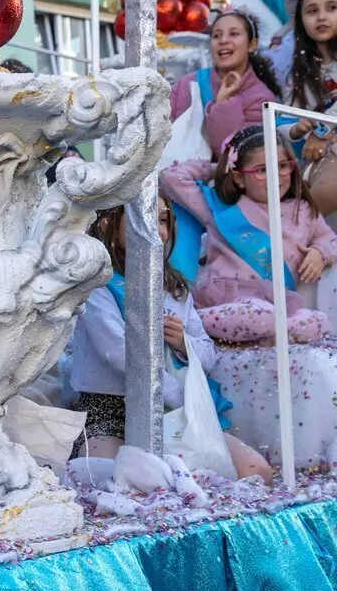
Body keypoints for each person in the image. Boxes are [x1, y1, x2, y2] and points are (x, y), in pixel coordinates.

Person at [67, 197, 271, 482]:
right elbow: (117, 352)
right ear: (107, 223)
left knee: (256, 471)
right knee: (112, 480)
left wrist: (182, 343)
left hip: (177, 413)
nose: (157, 229)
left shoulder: (173, 287)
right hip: (111, 411)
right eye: (145, 217)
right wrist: (174, 395)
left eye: (162, 220)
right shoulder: (97, 284)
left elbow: (208, 354)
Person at [161, 125, 337, 344]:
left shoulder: (304, 210)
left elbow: (328, 239)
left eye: (282, 166)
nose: (276, 176)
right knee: (261, 314)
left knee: (316, 322)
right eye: (262, 170)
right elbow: (171, 178)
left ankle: (264, 339)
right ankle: (194, 322)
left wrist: (319, 253)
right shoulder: (221, 208)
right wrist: (220, 167)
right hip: (229, 300)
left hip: (276, 303)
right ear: (239, 179)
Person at [170, 9, 282, 157]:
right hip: (171, 171)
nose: (223, 40)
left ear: (252, 45)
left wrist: (223, 104)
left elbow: (237, 156)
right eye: (216, 35)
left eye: (234, 34)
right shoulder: (186, 84)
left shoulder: (262, 99)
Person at [284, 0, 337, 215]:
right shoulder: (298, 74)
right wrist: (297, 130)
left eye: (332, 8)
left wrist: (320, 131)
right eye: (312, 11)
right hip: (317, 158)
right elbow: (284, 119)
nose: (322, 17)